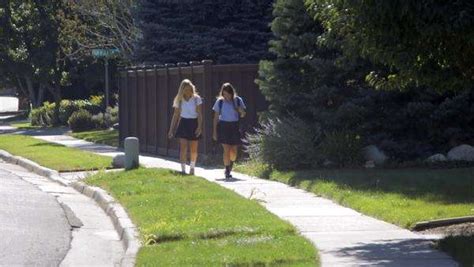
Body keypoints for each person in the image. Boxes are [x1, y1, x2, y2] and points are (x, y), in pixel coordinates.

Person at [168, 79, 203, 175]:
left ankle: (192, 168)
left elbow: (199, 114)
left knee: (193, 148)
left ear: (192, 89)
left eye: (189, 89)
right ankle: (183, 170)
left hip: (194, 123)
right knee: (183, 147)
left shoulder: (197, 99)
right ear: (182, 90)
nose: (188, 92)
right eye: (185, 90)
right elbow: (175, 115)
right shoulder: (179, 100)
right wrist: (171, 130)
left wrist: (199, 127)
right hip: (183, 123)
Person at [212, 82, 246, 180]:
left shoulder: (238, 100)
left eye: (228, 94)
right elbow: (215, 118)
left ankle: (230, 164)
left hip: (234, 126)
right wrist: (214, 132)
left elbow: (243, 114)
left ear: (232, 93)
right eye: (224, 94)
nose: (226, 96)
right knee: (226, 149)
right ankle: (227, 170)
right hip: (223, 126)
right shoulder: (220, 102)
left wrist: (239, 110)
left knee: (234, 151)